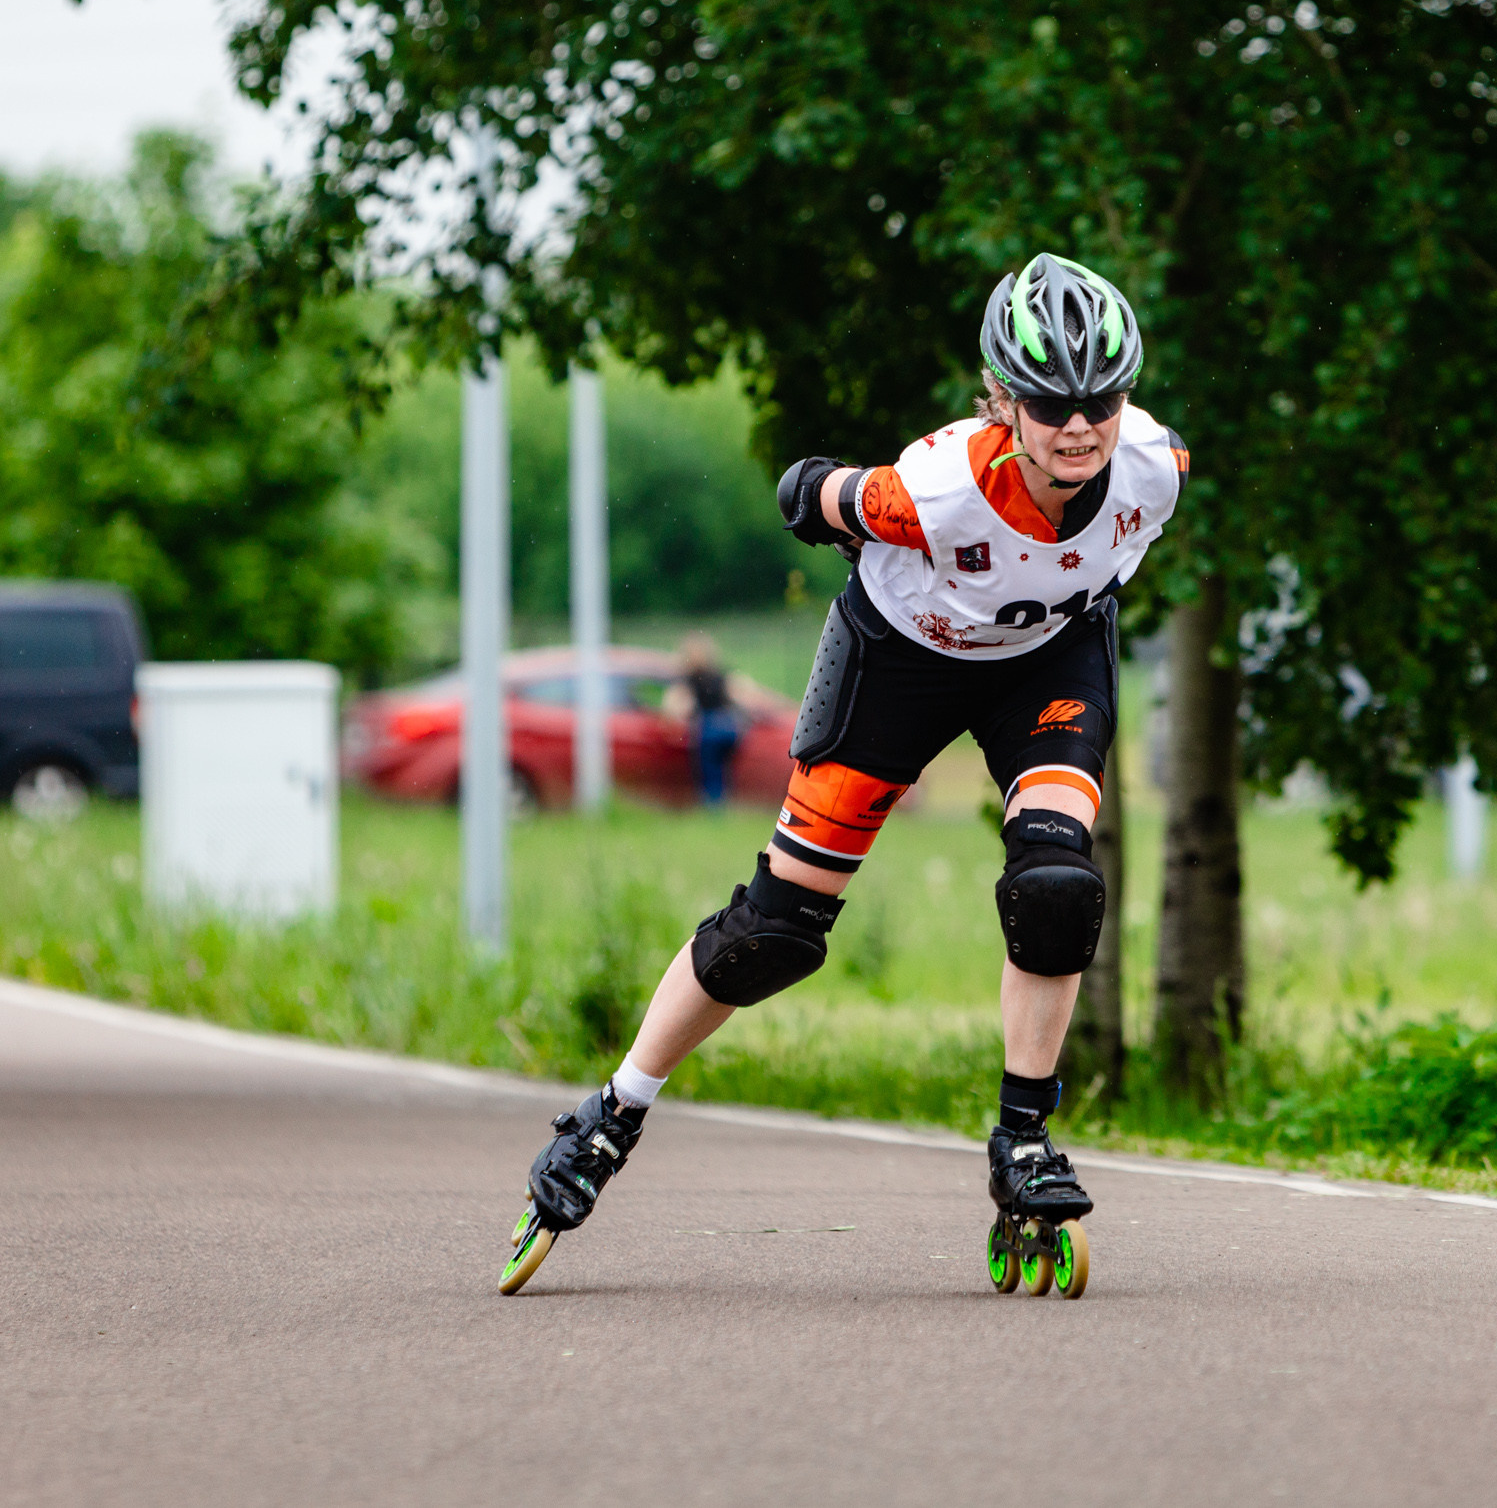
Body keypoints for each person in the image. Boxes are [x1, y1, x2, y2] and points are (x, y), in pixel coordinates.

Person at [501, 254, 1189, 1296]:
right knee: (775, 934)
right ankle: (615, 1109)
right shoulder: (936, 489)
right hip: (898, 664)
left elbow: (1101, 540)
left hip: (1042, 665)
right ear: (1002, 399)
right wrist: (823, 498)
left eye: (1102, 398)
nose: (1081, 426)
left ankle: (1025, 1142)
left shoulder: (1157, 468)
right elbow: (802, 496)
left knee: (1055, 887)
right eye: (1051, 404)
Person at [666, 632, 749, 806]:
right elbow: (743, 696)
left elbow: (679, 706)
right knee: (724, 768)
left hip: (709, 727)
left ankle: (713, 805)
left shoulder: (688, 679)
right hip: (729, 726)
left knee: (709, 769)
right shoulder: (721, 674)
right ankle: (725, 801)